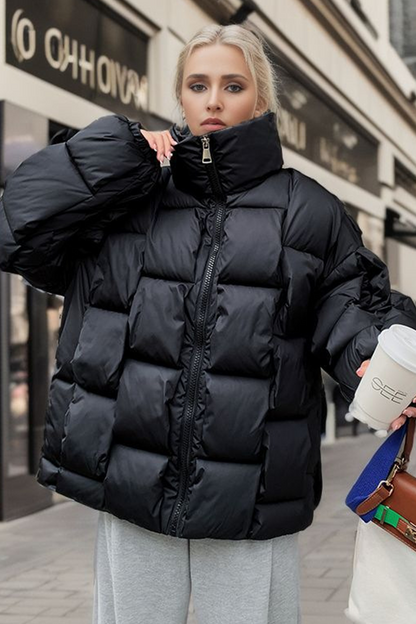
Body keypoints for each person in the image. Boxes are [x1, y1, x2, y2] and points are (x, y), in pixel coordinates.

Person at [1, 21, 416, 624]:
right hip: (132, 479)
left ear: (260, 99)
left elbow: (356, 309)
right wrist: (116, 154)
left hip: (252, 494)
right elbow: (19, 233)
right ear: (180, 95)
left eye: (232, 85)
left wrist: (383, 367)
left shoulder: (310, 210)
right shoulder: (130, 197)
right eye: (197, 84)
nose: (214, 100)